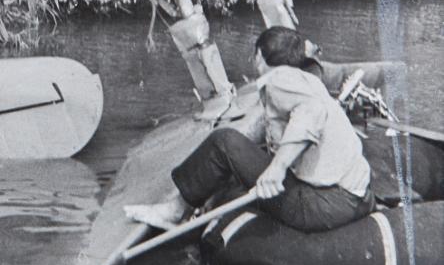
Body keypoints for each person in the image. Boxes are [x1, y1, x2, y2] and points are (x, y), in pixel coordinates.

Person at [123, 26, 375, 233]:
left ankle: (175, 211)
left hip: (325, 203)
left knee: (223, 142)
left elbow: (312, 113)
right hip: (355, 198)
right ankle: (193, 201)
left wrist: (276, 170)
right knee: (238, 154)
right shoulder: (307, 79)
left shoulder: (278, 80)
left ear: (259, 56)